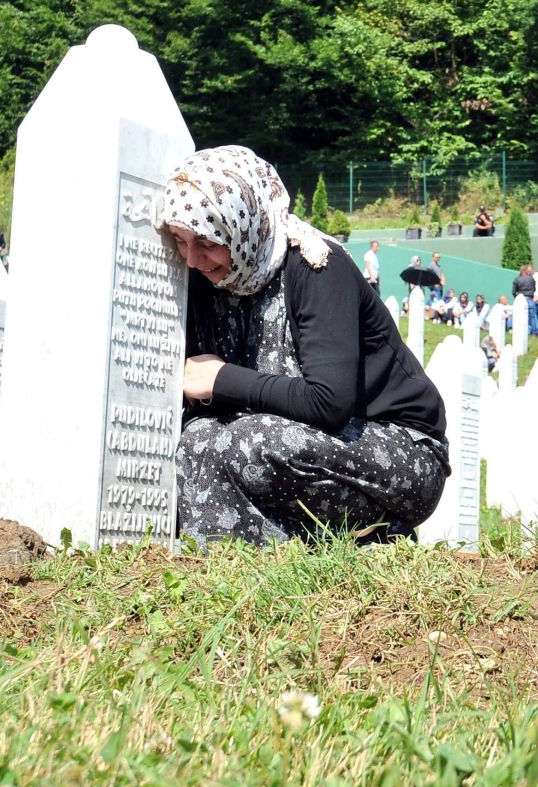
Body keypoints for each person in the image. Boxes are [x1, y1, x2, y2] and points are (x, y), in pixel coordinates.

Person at [163, 145, 450, 545]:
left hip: (399, 450)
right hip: (297, 437)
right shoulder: (211, 279)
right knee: (197, 440)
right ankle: (237, 571)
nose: (192, 259)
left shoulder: (316, 267)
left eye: (208, 243)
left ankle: (381, 537)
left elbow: (328, 403)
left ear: (244, 227)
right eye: (180, 241)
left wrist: (220, 379)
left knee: (252, 441)